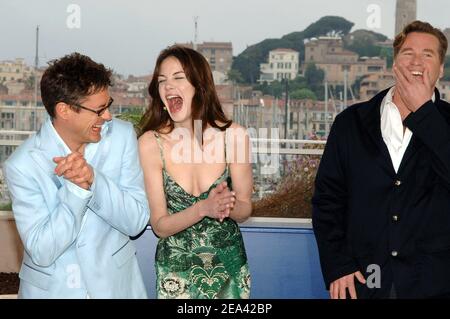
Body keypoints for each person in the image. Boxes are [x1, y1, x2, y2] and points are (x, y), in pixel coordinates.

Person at [312, 20, 450, 299]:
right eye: (408, 52)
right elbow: (328, 200)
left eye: (428, 54)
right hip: (366, 279)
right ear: (394, 63)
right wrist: (338, 265)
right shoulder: (350, 122)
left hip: (435, 282)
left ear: (441, 68)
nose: (417, 60)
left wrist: (424, 112)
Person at [3, 53, 150, 298]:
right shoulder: (22, 164)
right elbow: (42, 251)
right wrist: (76, 191)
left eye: (108, 105)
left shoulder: (122, 136)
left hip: (117, 288)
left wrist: (94, 180)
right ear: (64, 110)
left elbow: (136, 220)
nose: (108, 116)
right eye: (99, 109)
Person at [138, 45, 252, 299]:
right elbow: (160, 226)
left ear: (200, 85)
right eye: (162, 81)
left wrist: (227, 206)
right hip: (175, 273)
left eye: (178, 77)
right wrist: (204, 208)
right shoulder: (150, 143)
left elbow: (245, 208)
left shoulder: (235, 136)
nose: (168, 86)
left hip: (229, 268)